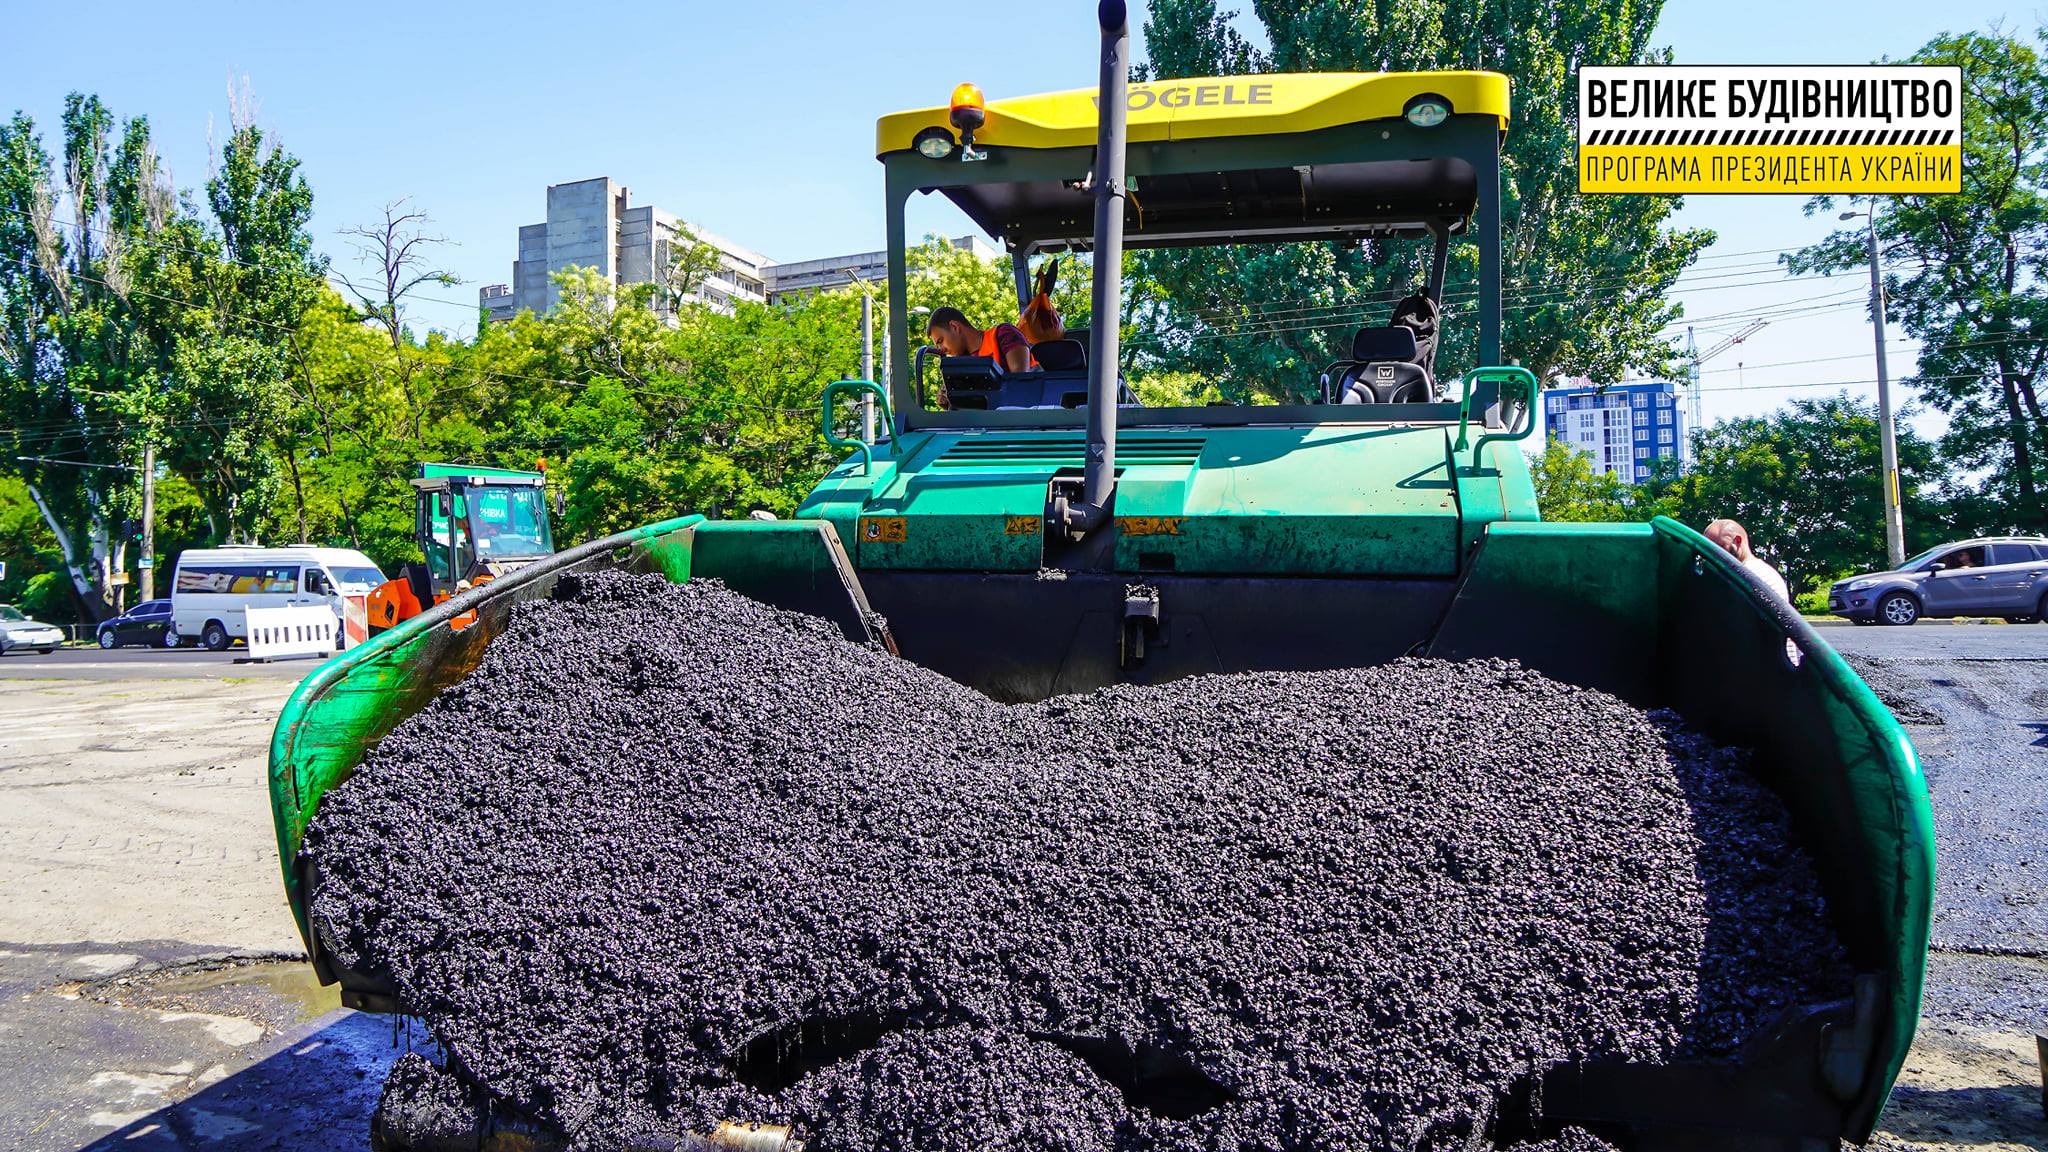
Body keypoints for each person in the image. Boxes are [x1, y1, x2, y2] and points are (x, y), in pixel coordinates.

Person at [1704, 518, 1790, 601]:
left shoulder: (1755, 574)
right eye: (1709, 550)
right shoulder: (1741, 573)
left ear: (1737, 541)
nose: (1713, 554)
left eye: (1719, 547)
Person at [927, 307, 1031, 374]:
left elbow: (1020, 381)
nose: (942, 349)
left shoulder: (1004, 334)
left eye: (940, 341)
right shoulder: (961, 364)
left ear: (954, 327)